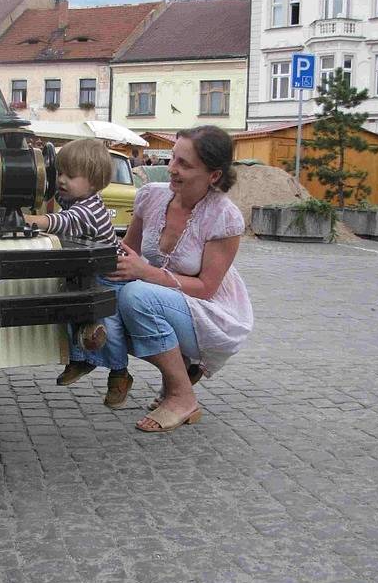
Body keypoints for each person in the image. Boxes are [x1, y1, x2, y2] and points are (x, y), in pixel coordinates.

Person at [83, 124, 253, 432]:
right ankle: (177, 369)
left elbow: (206, 289)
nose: (172, 169)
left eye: (184, 164)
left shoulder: (224, 216)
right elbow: (128, 251)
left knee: (135, 296)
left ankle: (181, 396)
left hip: (212, 312)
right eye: (173, 158)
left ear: (213, 175)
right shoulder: (151, 196)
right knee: (106, 295)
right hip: (166, 299)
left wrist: (146, 272)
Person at [23, 138, 132, 408]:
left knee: (109, 327)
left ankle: (119, 374)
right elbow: (52, 191)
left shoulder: (89, 209)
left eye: (70, 176)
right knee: (71, 311)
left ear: (93, 183)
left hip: (108, 276)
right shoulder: (74, 196)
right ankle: (80, 360)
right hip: (85, 271)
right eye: (60, 172)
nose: (62, 180)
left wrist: (31, 220)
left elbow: (63, 221)